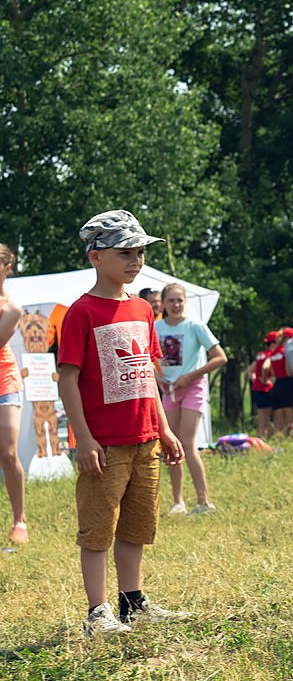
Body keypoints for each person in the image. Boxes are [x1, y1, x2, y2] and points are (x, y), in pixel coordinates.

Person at [57, 210, 186, 637]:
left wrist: (164, 429)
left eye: (140, 252)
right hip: (105, 445)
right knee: (98, 529)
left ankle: (133, 603)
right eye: (125, 252)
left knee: (136, 526)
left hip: (145, 438)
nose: (135, 260)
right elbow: (68, 380)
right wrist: (85, 438)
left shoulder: (142, 309)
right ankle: (98, 613)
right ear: (96, 256)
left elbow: (147, 373)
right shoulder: (81, 312)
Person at [154, 282, 227, 516]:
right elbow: (146, 358)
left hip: (193, 386)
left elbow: (220, 357)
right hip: (169, 390)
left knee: (187, 442)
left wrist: (191, 376)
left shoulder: (195, 325)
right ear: (163, 303)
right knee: (171, 445)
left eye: (180, 300)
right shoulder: (155, 328)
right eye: (171, 301)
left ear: (185, 302)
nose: (176, 305)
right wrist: (159, 378)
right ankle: (178, 502)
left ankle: (204, 501)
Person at [0, 243, 27, 545]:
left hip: (4, 382)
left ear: (7, 269)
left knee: (7, 453)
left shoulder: (12, 308)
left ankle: (19, 519)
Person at [267, 328, 293, 436]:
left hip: (277, 384)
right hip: (288, 384)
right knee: (291, 417)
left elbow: (273, 372)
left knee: (278, 418)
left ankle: (279, 440)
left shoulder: (273, 353)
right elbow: (289, 371)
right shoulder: (286, 352)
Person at [250, 332, 276, 439]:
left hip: (257, 389)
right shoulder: (271, 355)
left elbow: (250, 371)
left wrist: (256, 380)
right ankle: (267, 440)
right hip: (266, 390)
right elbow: (265, 367)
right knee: (271, 417)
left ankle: (261, 439)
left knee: (262, 419)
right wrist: (265, 380)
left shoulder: (260, 354)